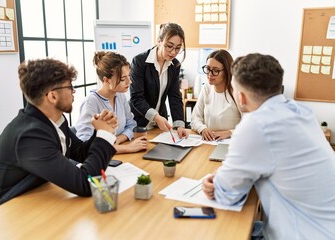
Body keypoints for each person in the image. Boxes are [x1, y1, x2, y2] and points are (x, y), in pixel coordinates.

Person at [202, 53, 335, 239]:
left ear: (240, 97)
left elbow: (228, 196)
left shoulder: (255, 125)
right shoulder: (301, 111)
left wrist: (214, 182)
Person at [0, 58, 118, 212]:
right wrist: (104, 136)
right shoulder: (30, 135)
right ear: (53, 96)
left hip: (38, 201)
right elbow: (86, 184)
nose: (74, 91)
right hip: (7, 214)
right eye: (70, 87)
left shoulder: (56, 119)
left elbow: (80, 153)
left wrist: (100, 132)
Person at [75, 51, 147, 154]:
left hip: (115, 155)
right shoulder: (91, 102)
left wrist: (117, 141)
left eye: (129, 76)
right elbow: (85, 145)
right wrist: (128, 148)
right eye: (123, 79)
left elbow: (131, 125)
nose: (129, 82)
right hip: (98, 161)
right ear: (106, 80)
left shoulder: (120, 96)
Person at [130, 22, 189, 139]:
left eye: (178, 48)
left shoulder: (174, 65)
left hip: (159, 125)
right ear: (159, 41)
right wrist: (156, 116)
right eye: (169, 46)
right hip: (138, 124)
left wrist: (179, 124)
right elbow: (136, 97)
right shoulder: (140, 61)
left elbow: (175, 96)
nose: (173, 52)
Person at [190, 50, 241, 141]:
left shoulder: (238, 92)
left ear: (227, 71)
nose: (210, 74)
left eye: (215, 71)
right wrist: (202, 129)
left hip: (231, 142)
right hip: (210, 141)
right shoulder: (207, 88)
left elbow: (250, 125)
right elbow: (195, 118)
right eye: (208, 69)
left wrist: (230, 132)